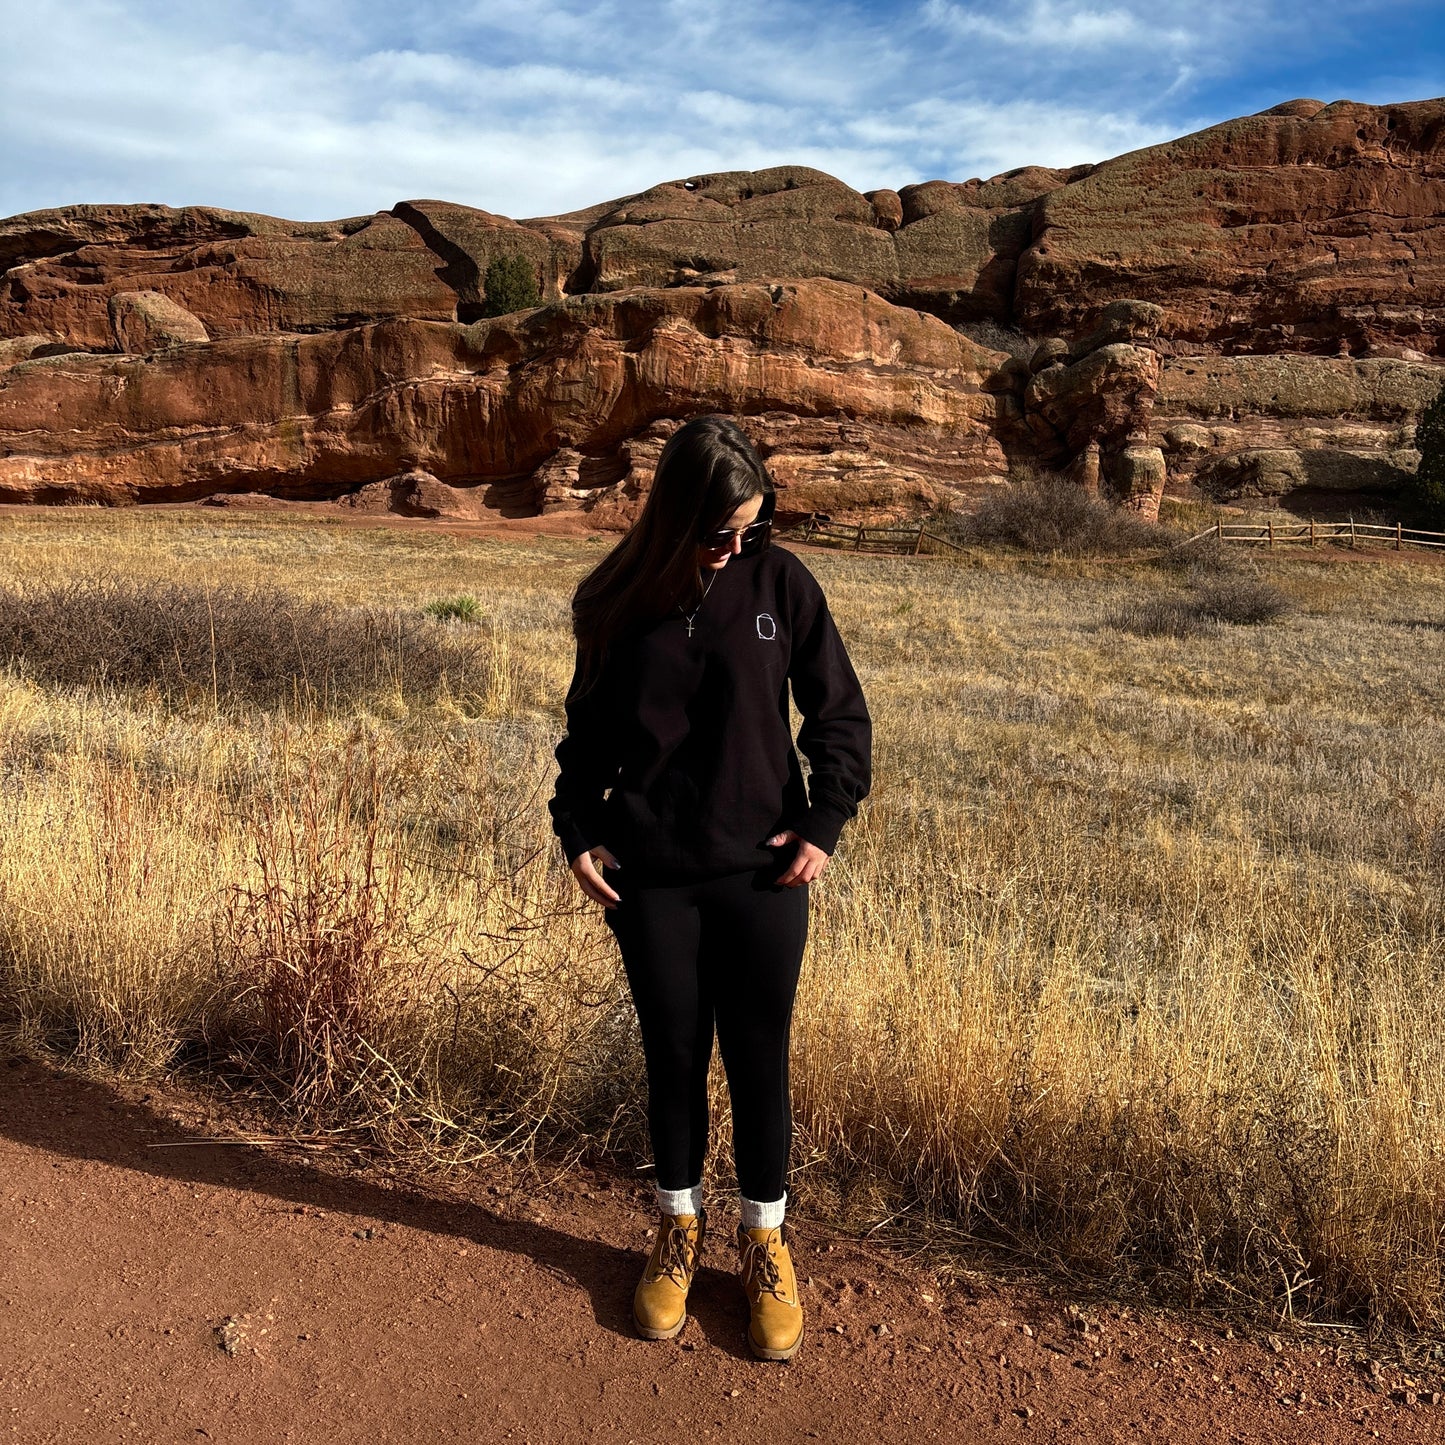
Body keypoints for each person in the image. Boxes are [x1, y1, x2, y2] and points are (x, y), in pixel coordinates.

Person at [546, 414, 872, 1362]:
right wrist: (576, 829)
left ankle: (763, 1236)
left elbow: (838, 711)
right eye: (718, 533)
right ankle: (677, 1225)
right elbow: (586, 740)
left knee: (758, 1055)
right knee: (673, 1054)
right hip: (652, 879)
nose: (735, 550)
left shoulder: (781, 582)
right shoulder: (614, 599)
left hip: (763, 875)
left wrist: (823, 820)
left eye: (751, 531)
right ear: (673, 518)